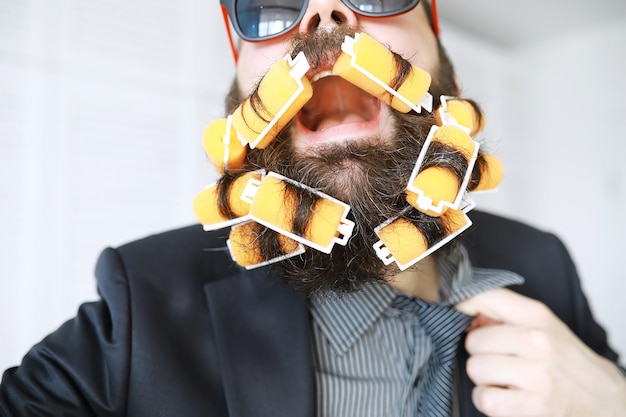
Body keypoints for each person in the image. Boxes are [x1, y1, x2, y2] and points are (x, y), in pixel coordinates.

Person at [1, 0, 625, 416]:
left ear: (450, 85)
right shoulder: (139, 304)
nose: (325, 13)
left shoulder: (545, 263)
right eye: (270, 4)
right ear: (241, 104)